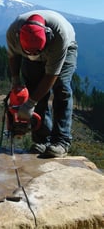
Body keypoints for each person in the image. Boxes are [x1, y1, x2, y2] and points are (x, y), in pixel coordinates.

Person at [6, 10, 78, 158]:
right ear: (20, 38)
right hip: (32, 50)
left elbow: (51, 75)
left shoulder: (59, 37)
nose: (34, 57)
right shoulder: (13, 33)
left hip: (65, 49)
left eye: (36, 53)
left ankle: (61, 142)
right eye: (29, 53)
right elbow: (13, 56)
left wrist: (30, 104)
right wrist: (15, 82)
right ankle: (41, 140)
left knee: (62, 89)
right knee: (33, 90)